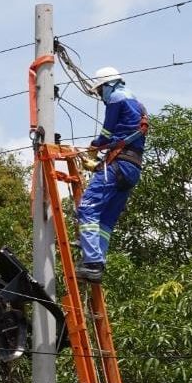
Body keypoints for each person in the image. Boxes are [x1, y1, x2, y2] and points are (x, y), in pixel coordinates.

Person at [75, 67, 147, 283]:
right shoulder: (137, 104)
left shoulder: (116, 98)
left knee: (88, 208)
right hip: (132, 167)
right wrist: (97, 164)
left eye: (99, 91)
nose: (100, 96)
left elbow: (106, 134)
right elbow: (123, 136)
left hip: (119, 164)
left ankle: (93, 261)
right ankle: (97, 259)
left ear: (107, 85)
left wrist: (94, 146)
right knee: (105, 220)